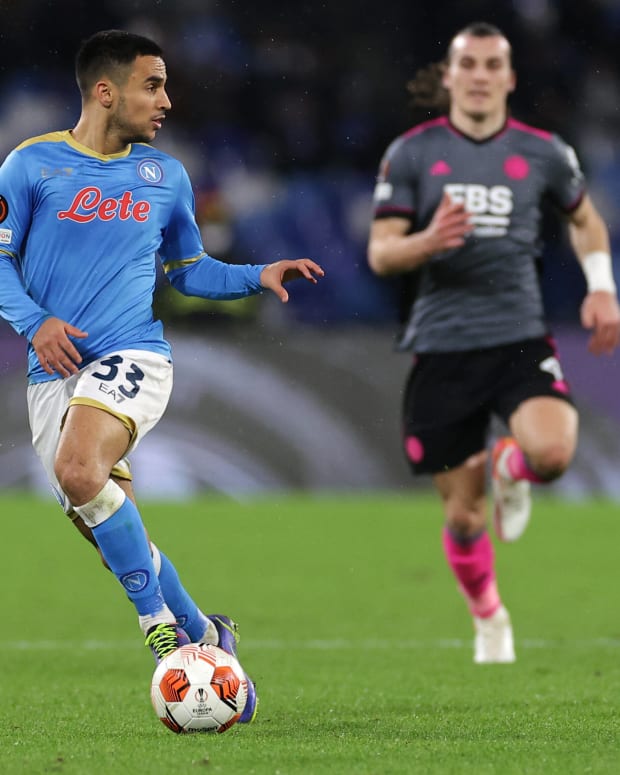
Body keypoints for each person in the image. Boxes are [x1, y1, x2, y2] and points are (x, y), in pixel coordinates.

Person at [0, 29, 324, 721]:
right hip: (52, 371)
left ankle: (164, 636)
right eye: (153, 84)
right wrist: (36, 323)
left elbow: (190, 271)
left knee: (81, 471)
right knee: (103, 522)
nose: (167, 100)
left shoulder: (164, 176)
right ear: (105, 91)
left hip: (134, 356)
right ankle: (208, 634)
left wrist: (254, 275)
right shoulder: (30, 167)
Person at [367, 21, 620, 663]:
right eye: (468, 64)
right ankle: (489, 616)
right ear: (449, 77)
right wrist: (426, 242)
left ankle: (513, 464)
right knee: (465, 518)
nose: (480, 75)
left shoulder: (545, 153)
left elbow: (586, 220)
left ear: (509, 78)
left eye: (492, 65)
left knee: (554, 453)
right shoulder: (413, 153)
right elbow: (380, 253)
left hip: (517, 337)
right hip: (443, 347)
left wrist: (601, 286)